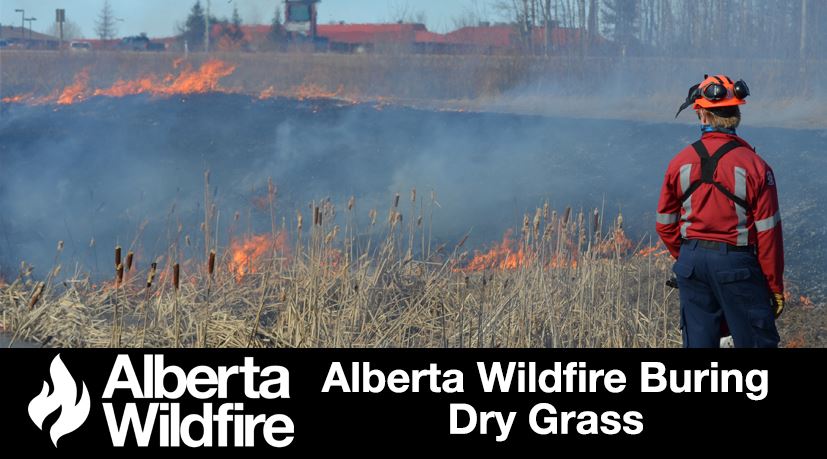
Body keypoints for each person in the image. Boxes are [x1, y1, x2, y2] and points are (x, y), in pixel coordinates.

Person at [657, 74, 784, 348]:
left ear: (701, 115)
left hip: (691, 262)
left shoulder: (679, 162)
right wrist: (774, 286)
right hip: (736, 265)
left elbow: (665, 224)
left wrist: (688, 258)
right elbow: (768, 235)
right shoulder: (756, 167)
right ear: (737, 114)